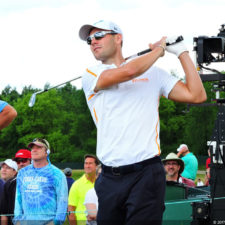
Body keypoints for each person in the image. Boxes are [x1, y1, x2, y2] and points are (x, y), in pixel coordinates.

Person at [78, 19, 206, 225]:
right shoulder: (91, 74)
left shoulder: (153, 73)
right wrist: (158, 51)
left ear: (118, 38)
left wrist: (181, 52)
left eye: (99, 35)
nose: (93, 41)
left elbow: (197, 95)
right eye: (89, 39)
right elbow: (129, 72)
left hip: (147, 174)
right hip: (110, 177)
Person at [13, 138, 68, 225]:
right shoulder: (22, 173)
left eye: (38, 147)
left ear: (47, 152)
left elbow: (63, 202)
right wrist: (17, 221)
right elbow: (18, 199)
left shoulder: (57, 174)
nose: (34, 150)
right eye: (32, 147)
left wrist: (55, 222)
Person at [1, 149, 31, 225]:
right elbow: (4, 213)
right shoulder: (9, 183)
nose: (21, 163)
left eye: (23, 160)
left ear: (31, 161)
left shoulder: (42, 180)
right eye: (18, 161)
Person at [68, 154, 99, 225]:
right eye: (86, 163)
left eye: (90, 163)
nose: (87, 166)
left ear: (96, 166)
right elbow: (71, 210)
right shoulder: (76, 184)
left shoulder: (102, 184)